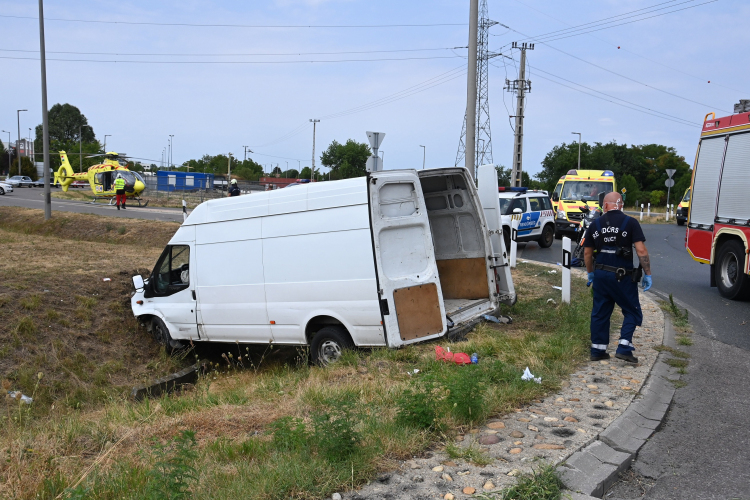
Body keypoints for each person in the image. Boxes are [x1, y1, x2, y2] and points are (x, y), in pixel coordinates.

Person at [583, 192, 652, 363]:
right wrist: (648, 273)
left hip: (600, 275)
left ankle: (598, 350)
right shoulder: (631, 223)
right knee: (632, 310)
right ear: (620, 205)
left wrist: (591, 273)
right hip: (622, 276)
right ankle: (624, 347)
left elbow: (587, 253)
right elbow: (641, 250)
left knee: (600, 312)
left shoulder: (595, 225)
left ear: (605, 205)